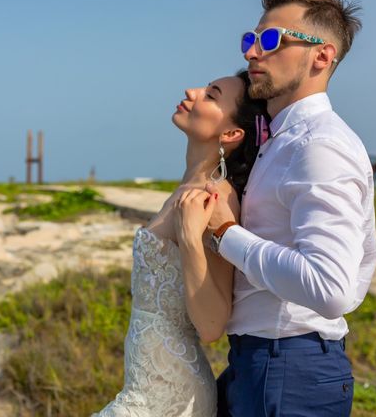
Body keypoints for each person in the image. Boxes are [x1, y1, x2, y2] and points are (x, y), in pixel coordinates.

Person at [191, 0, 376, 416]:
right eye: (251, 39)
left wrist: (226, 232)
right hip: (261, 363)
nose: (253, 52)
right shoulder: (283, 142)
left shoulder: (319, 146)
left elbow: (329, 288)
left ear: (322, 56)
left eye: (272, 40)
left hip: (288, 368)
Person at [93, 71, 268, 416]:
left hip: (170, 395)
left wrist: (189, 238)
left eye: (211, 95)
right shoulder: (189, 186)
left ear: (231, 133)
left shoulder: (213, 197)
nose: (192, 91)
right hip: (147, 386)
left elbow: (213, 324)